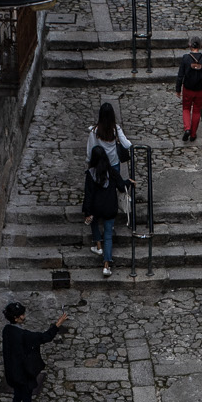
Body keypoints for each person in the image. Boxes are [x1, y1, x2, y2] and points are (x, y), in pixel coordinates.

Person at [0, 301, 66, 402]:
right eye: (22, 315)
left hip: (12, 372)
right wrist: (58, 324)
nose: (24, 316)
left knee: (17, 397)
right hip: (23, 374)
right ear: (16, 318)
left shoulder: (7, 330)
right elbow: (45, 337)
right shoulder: (24, 335)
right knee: (27, 401)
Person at [82, 145, 131, 278]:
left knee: (93, 221)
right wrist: (129, 182)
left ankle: (98, 245)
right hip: (110, 207)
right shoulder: (111, 172)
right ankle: (106, 265)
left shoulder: (90, 174)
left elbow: (88, 194)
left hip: (96, 208)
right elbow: (121, 186)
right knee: (108, 235)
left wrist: (87, 212)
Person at [175, 38, 202, 142]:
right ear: (200, 46)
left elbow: (180, 75)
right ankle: (193, 134)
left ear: (190, 45)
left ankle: (187, 128)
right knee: (197, 110)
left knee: (186, 108)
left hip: (188, 89)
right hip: (201, 89)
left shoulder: (185, 58)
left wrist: (178, 89)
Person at [87, 100, 132, 171]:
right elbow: (127, 145)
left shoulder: (94, 131)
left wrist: (90, 163)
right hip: (114, 162)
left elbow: (90, 149)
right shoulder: (116, 129)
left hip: (99, 164)